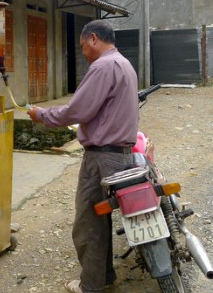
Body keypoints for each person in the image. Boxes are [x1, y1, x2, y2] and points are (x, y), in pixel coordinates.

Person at [28, 19, 138, 293]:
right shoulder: (124, 63)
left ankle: (90, 285)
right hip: (122, 154)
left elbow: (76, 111)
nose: (83, 53)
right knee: (102, 217)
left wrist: (41, 115)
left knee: (88, 222)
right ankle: (105, 275)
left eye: (82, 46)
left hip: (102, 157)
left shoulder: (102, 66)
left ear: (93, 39)